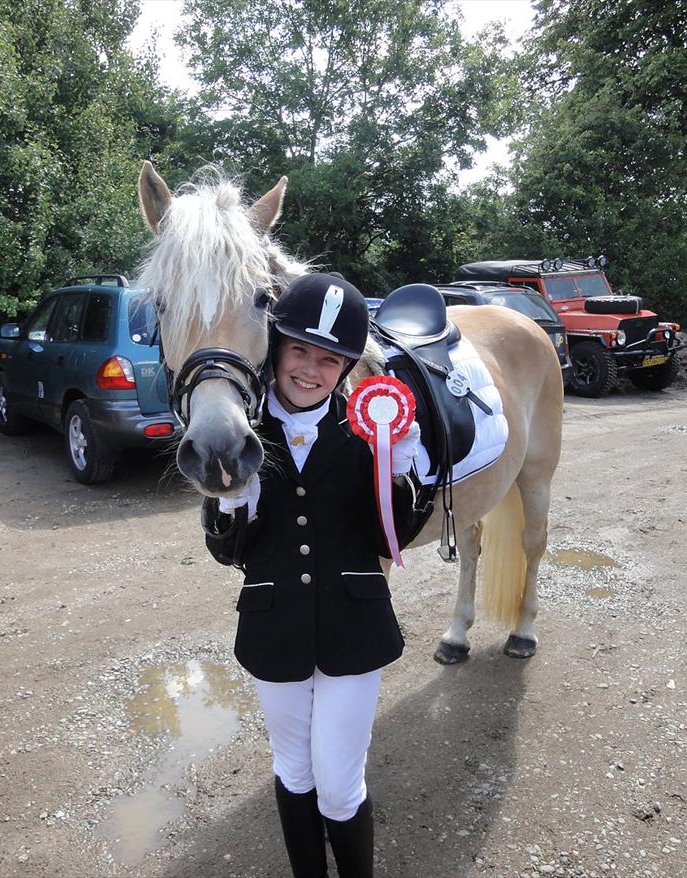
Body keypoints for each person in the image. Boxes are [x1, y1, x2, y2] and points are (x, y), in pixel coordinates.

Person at [204, 273, 428, 878]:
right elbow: (227, 552)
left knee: (338, 783)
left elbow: (393, 538)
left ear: (346, 366)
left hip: (355, 630)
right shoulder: (239, 432)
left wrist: (401, 471)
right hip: (274, 628)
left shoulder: (368, 427)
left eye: (330, 359)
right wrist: (231, 502)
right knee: (294, 771)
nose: (310, 369)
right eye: (299, 350)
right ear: (274, 348)